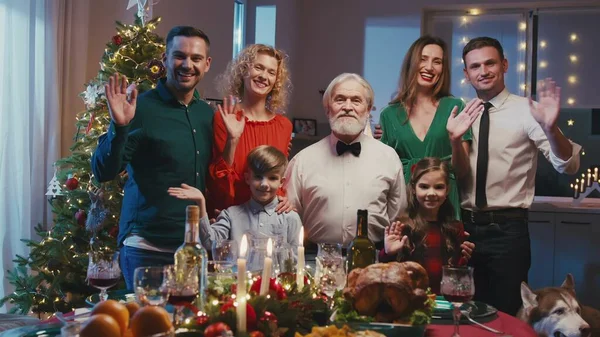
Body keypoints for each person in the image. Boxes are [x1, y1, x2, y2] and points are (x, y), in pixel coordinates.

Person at [460, 36, 581, 315]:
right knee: (462, 311)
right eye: (475, 66)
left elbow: (568, 165)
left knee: (505, 313)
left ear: (504, 65)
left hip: (507, 231)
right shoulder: (461, 112)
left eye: (490, 63)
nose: (484, 71)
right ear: (466, 74)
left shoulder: (528, 111)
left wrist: (551, 129)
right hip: (462, 230)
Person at [91, 26, 214, 290]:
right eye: (179, 56)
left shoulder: (208, 115)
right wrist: (119, 126)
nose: (187, 65)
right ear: (165, 58)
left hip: (192, 250)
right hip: (147, 249)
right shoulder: (140, 107)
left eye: (196, 58)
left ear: (207, 64)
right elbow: (103, 171)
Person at [284, 73, 407, 248]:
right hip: (316, 260)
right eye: (340, 100)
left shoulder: (389, 158)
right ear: (327, 108)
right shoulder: (302, 161)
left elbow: (398, 217)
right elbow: (290, 218)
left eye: (356, 100)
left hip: (375, 261)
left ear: (368, 108)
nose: (348, 107)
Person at [376, 36, 483, 219]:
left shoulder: (455, 107)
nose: (429, 67)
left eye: (437, 62)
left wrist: (455, 140)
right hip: (404, 205)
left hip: (445, 205)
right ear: (411, 63)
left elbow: (462, 172)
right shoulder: (389, 114)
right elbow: (383, 172)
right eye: (423, 59)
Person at [208, 44, 293, 215]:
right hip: (230, 216)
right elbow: (218, 183)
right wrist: (233, 139)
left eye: (271, 72)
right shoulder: (224, 117)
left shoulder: (284, 126)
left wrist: (284, 201)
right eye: (258, 67)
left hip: (268, 217)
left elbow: (276, 179)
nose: (263, 76)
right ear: (244, 71)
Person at [168, 145, 302, 251]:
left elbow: (295, 261)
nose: (264, 184)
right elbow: (209, 243)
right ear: (247, 178)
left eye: (272, 178)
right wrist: (201, 202)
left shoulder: (290, 217)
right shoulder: (231, 215)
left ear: (281, 182)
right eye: (258, 177)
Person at [380, 157, 475, 294]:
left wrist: (465, 259)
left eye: (438, 187)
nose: (431, 193)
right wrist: (388, 253)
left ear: (447, 190)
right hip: (410, 304)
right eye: (424, 187)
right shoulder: (402, 226)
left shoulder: (455, 229)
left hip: (443, 303)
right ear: (413, 188)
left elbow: (456, 279)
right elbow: (386, 274)